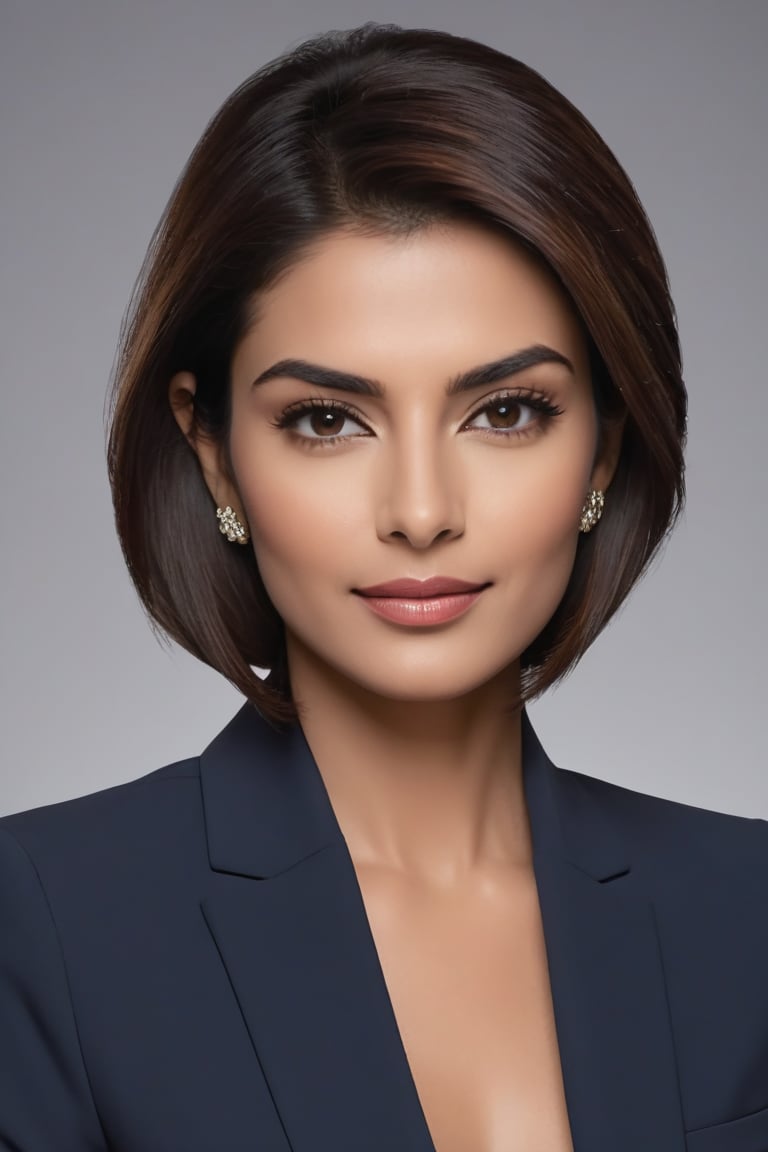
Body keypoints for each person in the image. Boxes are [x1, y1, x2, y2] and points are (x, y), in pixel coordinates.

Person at [1, 20, 766, 1152]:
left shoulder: (747, 913)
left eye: (506, 412)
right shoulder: (44, 926)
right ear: (215, 453)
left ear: (604, 449)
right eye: (326, 420)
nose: (420, 510)